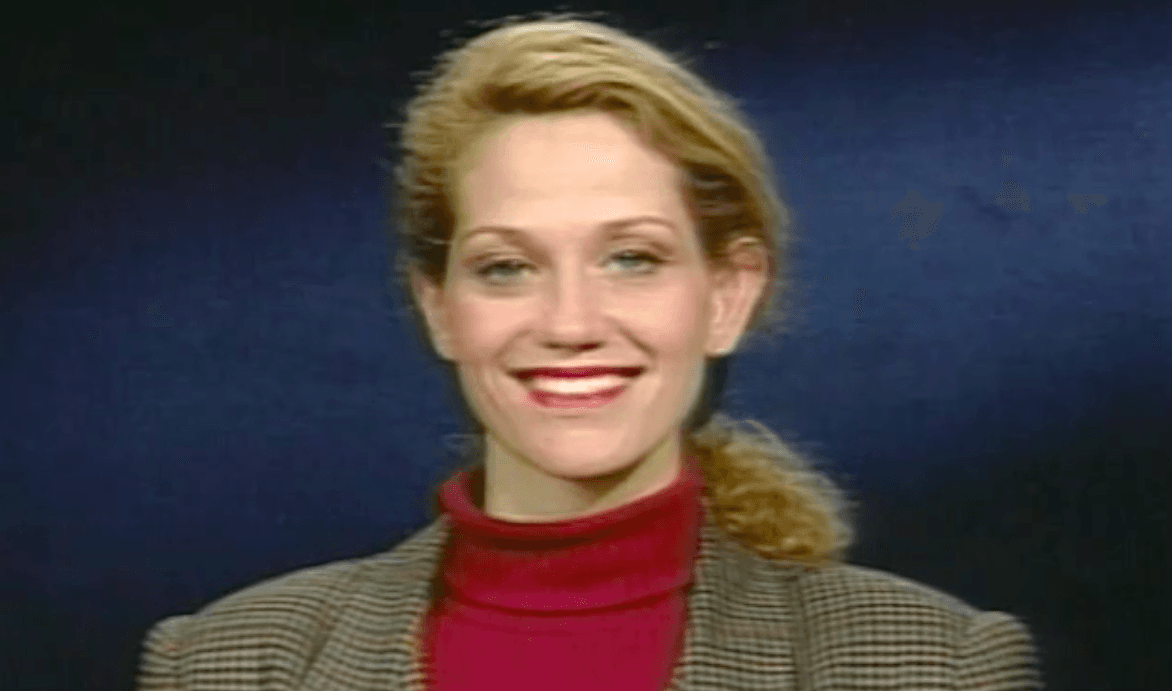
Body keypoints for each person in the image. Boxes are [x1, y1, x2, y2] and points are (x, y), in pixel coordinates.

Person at [137, 12, 1041, 691]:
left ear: (728, 293)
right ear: (439, 306)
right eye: (507, 267)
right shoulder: (228, 662)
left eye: (632, 258)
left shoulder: (936, 666)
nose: (570, 321)